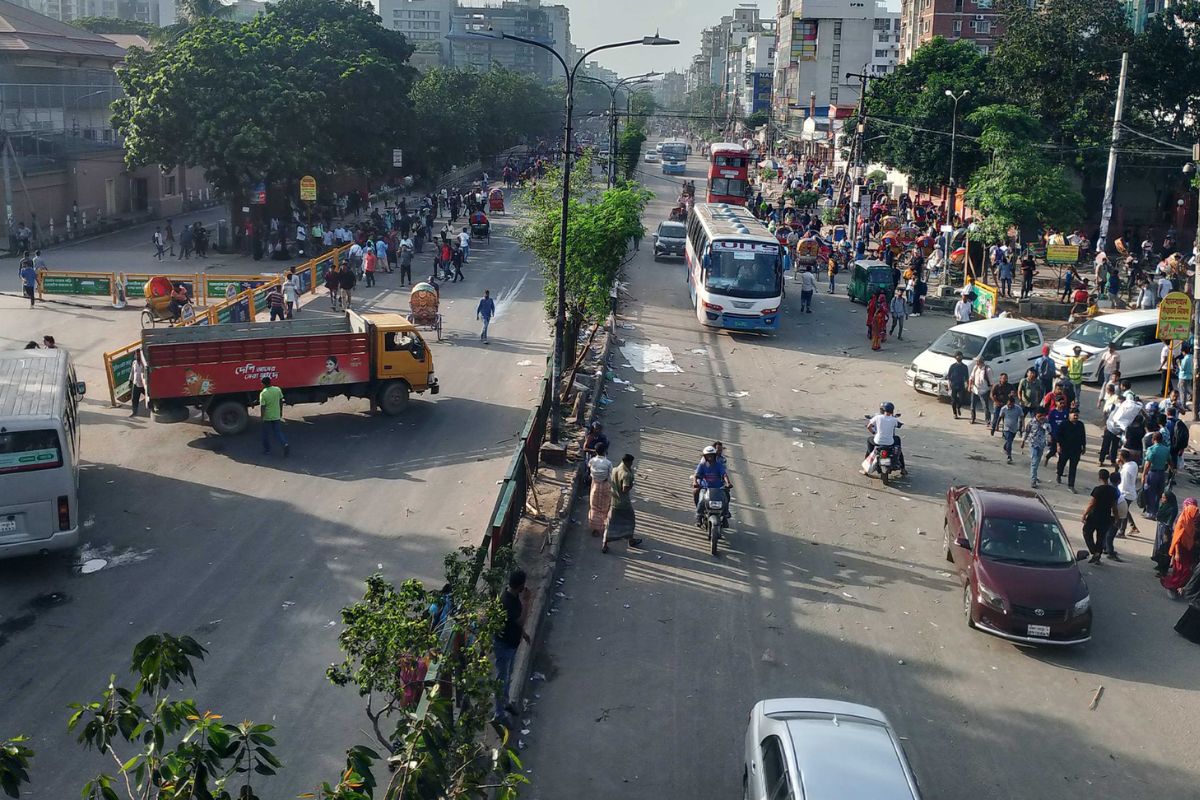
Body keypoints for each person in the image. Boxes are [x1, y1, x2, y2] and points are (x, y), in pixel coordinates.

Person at [492, 569, 531, 723]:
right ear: (520, 585)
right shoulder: (507, 602)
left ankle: (506, 703)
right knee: (502, 679)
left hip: (512, 643)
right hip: (504, 645)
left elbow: (515, 624)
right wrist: (527, 601)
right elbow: (520, 620)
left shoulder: (513, 597)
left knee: (508, 676)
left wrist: (524, 634)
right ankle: (499, 714)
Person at [603, 453, 642, 553]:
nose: (632, 464)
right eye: (631, 462)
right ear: (628, 462)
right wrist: (632, 485)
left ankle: (605, 543)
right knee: (630, 520)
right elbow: (625, 489)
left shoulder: (616, 469)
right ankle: (631, 540)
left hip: (614, 501)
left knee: (610, 523)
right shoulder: (626, 474)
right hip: (623, 503)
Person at [1080, 469, 1118, 563]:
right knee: (1100, 537)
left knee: (1086, 532)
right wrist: (1116, 517)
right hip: (1106, 516)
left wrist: (1085, 514)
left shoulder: (1098, 489)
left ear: (1099, 477)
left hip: (1094, 515)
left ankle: (1094, 552)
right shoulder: (1113, 490)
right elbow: (1114, 506)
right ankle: (1097, 554)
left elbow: (1092, 503)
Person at [1162, 497, 1197, 594]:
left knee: (1185, 570)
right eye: (1194, 511)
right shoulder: (1182, 521)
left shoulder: (1190, 521)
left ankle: (1178, 586)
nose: (1196, 514)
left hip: (1188, 549)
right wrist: (1176, 554)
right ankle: (1172, 586)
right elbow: (1176, 539)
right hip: (1180, 550)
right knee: (1181, 570)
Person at [693, 445, 731, 525]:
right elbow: (696, 475)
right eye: (708, 456)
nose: (710, 457)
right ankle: (699, 516)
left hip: (718, 488)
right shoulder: (702, 465)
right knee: (701, 500)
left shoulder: (719, 465)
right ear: (705, 456)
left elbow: (724, 475)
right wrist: (695, 482)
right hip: (705, 488)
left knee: (725, 499)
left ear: (714, 455)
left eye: (711, 455)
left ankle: (725, 515)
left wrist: (728, 483)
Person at [865, 402, 906, 474]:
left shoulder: (877, 417)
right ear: (892, 411)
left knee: (869, 440)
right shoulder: (894, 419)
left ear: (883, 410)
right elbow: (898, 425)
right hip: (890, 442)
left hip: (877, 441)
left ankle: (867, 467)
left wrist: (874, 432)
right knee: (898, 443)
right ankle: (903, 469)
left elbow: (868, 426)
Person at [1056, 407, 1086, 491]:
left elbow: (1083, 436)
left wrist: (1084, 446)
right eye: (1074, 415)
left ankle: (1071, 485)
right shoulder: (1064, 424)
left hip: (1076, 449)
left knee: (1073, 468)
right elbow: (1058, 435)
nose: (1076, 417)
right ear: (1069, 415)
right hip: (1065, 448)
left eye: (1077, 415)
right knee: (1061, 463)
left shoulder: (1080, 425)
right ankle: (1059, 474)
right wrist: (1058, 446)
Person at [1141, 431, 1171, 518]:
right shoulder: (1166, 449)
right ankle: (1156, 512)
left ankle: (1150, 512)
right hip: (1162, 474)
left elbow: (1148, 464)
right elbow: (1170, 461)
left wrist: (1143, 475)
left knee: (1150, 492)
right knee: (1159, 493)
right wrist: (1172, 470)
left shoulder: (1151, 449)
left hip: (1153, 473)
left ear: (1153, 439)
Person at [587, 443, 613, 539]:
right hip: (605, 485)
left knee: (594, 506)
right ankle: (603, 525)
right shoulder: (608, 463)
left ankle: (595, 528)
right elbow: (611, 475)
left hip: (595, 485)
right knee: (604, 507)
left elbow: (589, 469)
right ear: (605, 451)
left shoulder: (592, 461)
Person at [1021, 407, 1051, 488]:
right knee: (1034, 461)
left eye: (1043, 415)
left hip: (1041, 444)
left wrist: (1045, 426)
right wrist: (1023, 441)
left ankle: (1035, 475)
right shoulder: (1031, 422)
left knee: (1037, 461)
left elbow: (1049, 432)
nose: (1041, 417)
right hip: (1033, 444)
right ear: (1035, 415)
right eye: (1039, 415)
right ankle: (1033, 480)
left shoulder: (1046, 422)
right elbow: (1026, 431)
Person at [1153, 485, 1180, 576]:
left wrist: (1166, 532)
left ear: (1168, 498)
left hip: (1166, 529)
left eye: (1164, 497)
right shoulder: (1165, 506)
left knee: (1164, 548)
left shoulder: (1172, 508)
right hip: (1160, 526)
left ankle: (1163, 569)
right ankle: (1159, 564)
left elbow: (1170, 521)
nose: (1162, 499)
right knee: (1158, 546)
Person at [259, 376, 288, 456]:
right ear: (270, 382)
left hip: (267, 417)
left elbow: (263, 407)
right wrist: (281, 411)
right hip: (276, 415)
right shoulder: (277, 389)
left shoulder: (263, 393)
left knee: (265, 434)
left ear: (263, 384)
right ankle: (285, 444)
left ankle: (267, 450)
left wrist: (262, 417)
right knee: (278, 432)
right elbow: (281, 401)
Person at [998, 395, 1023, 464]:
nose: (1010, 406)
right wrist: (996, 426)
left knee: (1010, 441)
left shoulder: (1018, 409)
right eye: (1008, 404)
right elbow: (1000, 417)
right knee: (1009, 441)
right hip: (1006, 428)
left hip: (1014, 428)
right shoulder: (1004, 409)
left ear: (1014, 403)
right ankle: (1009, 456)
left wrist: (1022, 426)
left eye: (1011, 404)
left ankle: (1005, 447)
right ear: (1007, 403)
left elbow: (1021, 417)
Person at [968, 357, 993, 425]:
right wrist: (969, 386)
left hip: (984, 390)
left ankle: (988, 420)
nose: (976, 363)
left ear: (981, 361)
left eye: (977, 361)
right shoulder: (975, 368)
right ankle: (972, 418)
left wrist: (991, 392)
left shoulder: (987, 370)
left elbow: (991, 382)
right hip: (975, 389)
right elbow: (971, 377)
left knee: (985, 406)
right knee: (972, 405)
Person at [946, 351, 970, 419]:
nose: (959, 357)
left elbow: (966, 377)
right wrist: (949, 384)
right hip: (953, 385)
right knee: (953, 400)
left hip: (961, 385)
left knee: (962, 399)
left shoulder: (964, 367)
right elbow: (949, 376)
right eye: (957, 356)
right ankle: (955, 413)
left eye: (960, 356)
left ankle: (958, 407)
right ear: (955, 357)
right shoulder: (953, 366)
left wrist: (967, 384)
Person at [129, 349, 146, 418]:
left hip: (143, 385)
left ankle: (154, 408)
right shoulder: (134, 363)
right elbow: (132, 372)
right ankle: (134, 412)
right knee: (134, 399)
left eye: (139, 354)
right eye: (136, 354)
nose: (137, 356)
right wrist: (130, 380)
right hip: (136, 384)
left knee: (150, 397)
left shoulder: (144, 363)